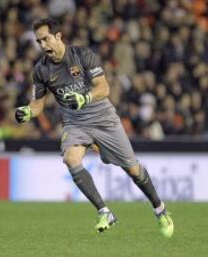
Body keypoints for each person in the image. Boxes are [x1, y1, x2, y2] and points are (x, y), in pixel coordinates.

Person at [15, 18, 174, 237]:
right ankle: (104, 211)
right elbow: (38, 104)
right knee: (71, 158)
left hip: (102, 118)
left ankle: (160, 209)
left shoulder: (82, 55)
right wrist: (28, 111)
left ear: (58, 36)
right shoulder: (41, 70)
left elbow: (104, 88)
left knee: (133, 169)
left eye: (45, 39)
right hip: (75, 122)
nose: (42, 45)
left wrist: (84, 98)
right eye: (38, 41)